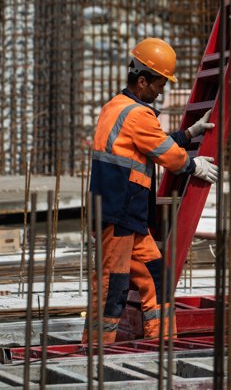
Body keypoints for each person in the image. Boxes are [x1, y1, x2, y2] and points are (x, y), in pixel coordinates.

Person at [83, 37, 218, 343]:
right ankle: (94, 354)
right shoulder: (138, 114)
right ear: (142, 81)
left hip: (125, 214)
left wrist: (188, 134)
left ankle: (161, 344)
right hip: (119, 215)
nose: (161, 91)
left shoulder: (117, 107)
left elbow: (150, 142)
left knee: (157, 278)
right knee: (111, 287)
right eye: (159, 84)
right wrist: (191, 165)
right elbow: (165, 153)